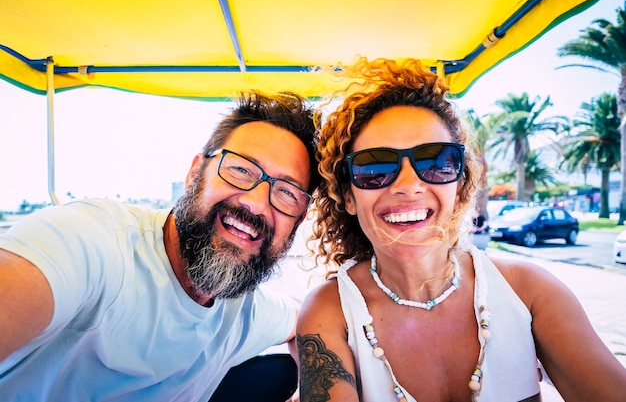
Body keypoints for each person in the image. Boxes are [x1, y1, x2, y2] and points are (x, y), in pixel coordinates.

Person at [296, 57, 626, 402]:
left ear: (460, 185)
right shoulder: (331, 312)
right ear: (348, 196)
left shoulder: (530, 291)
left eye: (436, 161)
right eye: (375, 167)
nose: (408, 185)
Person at [0, 91, 320, 401]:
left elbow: (300, 320)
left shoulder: (245, 312)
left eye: (286, 193)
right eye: (240, 170)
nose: (256, 204)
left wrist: (310, 390)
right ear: (196, 173)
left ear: (299, 219)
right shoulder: (95, 244)